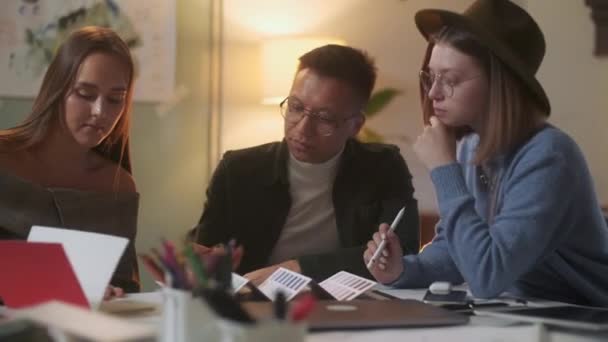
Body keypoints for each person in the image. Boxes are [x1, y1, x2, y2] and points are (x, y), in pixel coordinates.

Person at [364, 0, 608, 306]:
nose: (433, 93)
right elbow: (456, 253)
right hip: (525, 311)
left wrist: (444, 169)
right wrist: (402, 269)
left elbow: (486, 276)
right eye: (431, 77)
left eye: (450, 80)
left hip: (586, 316)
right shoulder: (470, 147)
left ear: (499, 83)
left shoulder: (549, 157)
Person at [192, 44, 419, 283]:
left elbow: (400, 252)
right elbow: (204, 256)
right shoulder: (238, 171)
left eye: (324, 118)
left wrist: (296, 267)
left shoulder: (382, 167)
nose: (302, 129)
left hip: (348, 307)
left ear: (355, 125)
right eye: (296, 107)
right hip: (253, 308)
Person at [0, 26, 140, 295]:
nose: (100, 112)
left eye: (115, 99)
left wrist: (109, 292)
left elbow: (127, 288)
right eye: (85, 94)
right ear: (58, 88)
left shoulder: (118, 184)